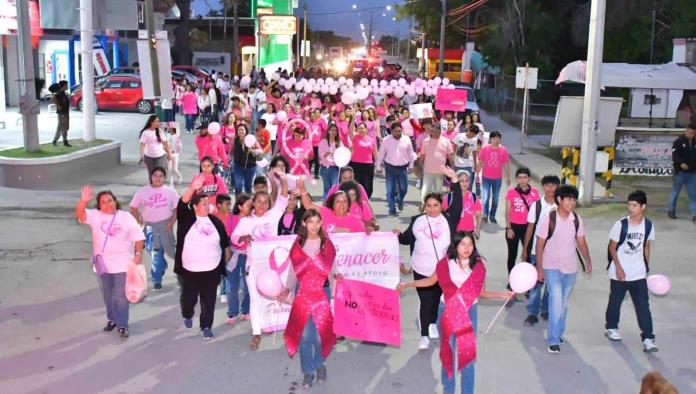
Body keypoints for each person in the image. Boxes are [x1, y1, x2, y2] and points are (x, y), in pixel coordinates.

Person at [397, 232, 512, 394]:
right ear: (455, 246)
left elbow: (481, 293)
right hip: (447, 311)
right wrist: (408, 284)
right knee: (448, 355)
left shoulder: (478, 267)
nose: (467, 248)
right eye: (463, 244)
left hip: (469, 312)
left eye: (470, 244)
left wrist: (502, 294)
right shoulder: (446, 264)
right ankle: (448, 389)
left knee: (468, 359)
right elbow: (430, 281)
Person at [75, 186, 145, 339]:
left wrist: (138, 253)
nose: (108, 204)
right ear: (99, 205)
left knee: (119, 296)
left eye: (110, 200)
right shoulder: (95, 216)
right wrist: (83, 201)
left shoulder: (125, 217)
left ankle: (122, 325)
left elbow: (138, 237)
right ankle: (112, 319)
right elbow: (80, 214)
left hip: (123, 265)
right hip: (103, 266)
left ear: (115, 201)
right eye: (103, 202)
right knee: (108, 295)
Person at [231, 169, 289, 349]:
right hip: (253, 266)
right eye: (259, 202)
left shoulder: (273, 215)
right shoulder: (246, 221)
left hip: (273, 266)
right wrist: (243, 238)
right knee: (255, 299)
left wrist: (283, 179)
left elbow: (283, 197)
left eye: (265, 202)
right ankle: (256, 332)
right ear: (253, 203)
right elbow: (234, 237)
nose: (262, 205)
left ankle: (277, 324)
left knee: (277, 296)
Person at [283, 209, 338, 389]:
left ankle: (319, 363)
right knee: (305, 337)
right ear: (304, 224)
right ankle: (308, 371)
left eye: (317, 222)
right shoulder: (298, 244)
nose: (314, 226)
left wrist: (338, 286)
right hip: (303, 293)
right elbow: (292, 270)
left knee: (320, 336)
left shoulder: (326, 244)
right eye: (311, 222)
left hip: (323, 293)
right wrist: (287, 288)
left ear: (321, 223)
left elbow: (333, 270)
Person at [394, 193, 457, 350]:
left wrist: (454, 180)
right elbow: (406, 239)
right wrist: (398, 234)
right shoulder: (417, 220)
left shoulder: (449, 219)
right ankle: (423, 336)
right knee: (426, 301)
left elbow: (459, 203)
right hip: (421, 267)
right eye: (428, 205)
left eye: (435, 205)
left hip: (442, 269)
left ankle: (432, 323)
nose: (432, 209)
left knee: (436, 299)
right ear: (424, 206)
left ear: (441, 206)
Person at [535, 185, 592, 353]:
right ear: (559, 200)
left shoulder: (576, 219)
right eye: (568, 199)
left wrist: (588, 260)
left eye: (574, 200)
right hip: (551, 266)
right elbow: (539, 245)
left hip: (571, 268)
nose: (572, 203)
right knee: (556, 301)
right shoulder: (549, 219)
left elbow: (581, 242)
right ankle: (552, 339)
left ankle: (558, 333)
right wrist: (539, 267)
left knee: (563, 303)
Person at [174, 174, 231, 339]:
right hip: (189, 270)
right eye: (203, 203)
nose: (207, 205)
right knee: (188, 299)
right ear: (195, 206)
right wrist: (193, 187)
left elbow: (225, 244)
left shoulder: (215, 222)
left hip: (211, 270)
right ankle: (187, 313)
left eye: (208, 203)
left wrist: (224, 259)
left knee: (209, 301)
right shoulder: (187, 219)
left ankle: (206, 326)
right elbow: (181, 204)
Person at [605, 190, 658, 352]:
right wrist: (619, 268)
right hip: (619, 272)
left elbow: (646, 246)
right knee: (615, 301)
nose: (631, 208)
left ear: (643, 206)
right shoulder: (621, 224)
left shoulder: (648, 225)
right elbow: (612, 247)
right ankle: (611, 327)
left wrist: (645, 267)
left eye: (634, 205)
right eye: (629, 204)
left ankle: (648, 338)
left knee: (643, 305)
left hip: (638, 273)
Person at [129, 167, 178, 291]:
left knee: (159, 251)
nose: (158, 178)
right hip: (150, 226)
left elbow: (176, 209)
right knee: (156, 251)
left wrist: (172, 222)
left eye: (161, 176)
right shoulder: (143, 191)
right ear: (151, 177)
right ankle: (158, 274)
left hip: (165, 226)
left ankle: (157, 275)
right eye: (155, 175)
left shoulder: (170, 192)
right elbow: (133, 207)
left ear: (164, 177)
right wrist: (139, 221)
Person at [520, 175, 560, 326]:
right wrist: (525, 249)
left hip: (556, 252)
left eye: (553, 186)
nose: (550, 189)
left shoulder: (562, 206)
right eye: (547, 186)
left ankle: (546, 310)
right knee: (536, 283)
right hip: (537, 251)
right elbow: (530, 228)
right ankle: (532, 312)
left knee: (551, 283)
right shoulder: (536, 206)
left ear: (558, 187)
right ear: (543, 187)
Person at [504, 167, 540, 280]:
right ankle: (511, 278)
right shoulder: (511, 192)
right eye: (519, 178)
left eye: (525, 177)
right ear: (516, 179)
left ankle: (528, 279)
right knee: (512, 254)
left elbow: (537, 211)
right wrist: (509, 228)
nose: (522, 180)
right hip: (513, 227)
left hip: (528, 227)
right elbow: (507, 212)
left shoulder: (535, 193)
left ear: (529, 178)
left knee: (528, 254)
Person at [297, 179, 366, 233]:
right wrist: (302, 188)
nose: (341, 204)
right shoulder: (325, 212)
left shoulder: (357, 221)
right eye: (338, 201)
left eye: (344, 201)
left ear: (348, 205)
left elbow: (363, 242)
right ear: (333, 204)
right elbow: (308, 204)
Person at [225, 193, 253, 324]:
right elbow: (228, 237)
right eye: (249, 205)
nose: (252, 207)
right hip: (234, 256)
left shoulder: (254, 219)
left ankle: (246, 310)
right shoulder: (231, 219)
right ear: (240, 206)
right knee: (232, 286)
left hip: (250, 256)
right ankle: (232, 313)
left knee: (249, 286)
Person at [376, 122, 415, 217]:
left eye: (399, 131)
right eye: (395, 131)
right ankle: (392, 209)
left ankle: (399, 199)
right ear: (391, 131)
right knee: (390, 190)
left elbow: (411, 153)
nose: (398, 133)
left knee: (404, 189)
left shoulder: (406, 139)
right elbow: (381, 154)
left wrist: (411, 165)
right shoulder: (386, 140)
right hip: (390, 167)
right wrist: (378, 166)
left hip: (402, 168)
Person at [477, 131, 511, 224]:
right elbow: (480, 162)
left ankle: (492, 215)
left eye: (498, 138)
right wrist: (477, 174)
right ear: (490, 139)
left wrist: (508, 177)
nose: (496, 140)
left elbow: (506, 164)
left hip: (497, 178)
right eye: (494, 138)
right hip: (486, 177)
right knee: (486, 197)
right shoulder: (485, 149)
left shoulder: (504, 150)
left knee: (495, 198)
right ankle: (485, 215)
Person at [667, 123, 696, 222]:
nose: (691, 134)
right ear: (686, 131)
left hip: (692, 173)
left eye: (693, 133)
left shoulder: (695, 142)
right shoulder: (678, 141)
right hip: (680, 172)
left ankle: (694, 214)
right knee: (675, 192)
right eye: (689, 132)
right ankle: (671, 210)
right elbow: (675, 155)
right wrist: (681, 163)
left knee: (693, 194)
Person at [419, 123, 455, 202]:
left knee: (437, 191)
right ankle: (423, 204)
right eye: (431, 131)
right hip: (428, 171)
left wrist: (453, 169)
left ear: (439, 131)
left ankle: (435, 206)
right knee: (425, 190)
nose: (431, 133)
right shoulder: (425, 141)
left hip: (440, 172)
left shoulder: (446, 141)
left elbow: (450, 156)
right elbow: (422, 155)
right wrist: (419, 167)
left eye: (434, 131)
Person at [443, 169, 482, 238]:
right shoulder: (448, 198)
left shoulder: (474, 197)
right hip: (453, 233)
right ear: (456, 182)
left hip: (469, 233)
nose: (465, 183)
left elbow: (478, 215)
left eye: (467, 181)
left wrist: (478, 229)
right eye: (461, 181)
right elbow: (442, 217)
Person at [348, 122, 378, 198]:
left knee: (368, 185)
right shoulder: (355, 137)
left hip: (368, 165)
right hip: (355, 164)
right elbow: (350, 130)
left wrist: (378, 165)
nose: (361, 130)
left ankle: (366, 200)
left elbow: (375, 152)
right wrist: (353, 119)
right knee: (355, 184)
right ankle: (356, 200)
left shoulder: (371, 139)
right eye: (359, 128)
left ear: (366, 129)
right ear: (357, 130)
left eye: (363, 128)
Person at [231, 124, 261, 194]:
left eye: (242, 129)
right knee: (238, 185)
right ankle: (238, 202)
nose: (241, 131)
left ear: (246, 131)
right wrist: (227, 161)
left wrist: (252, 151)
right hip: (238, 165)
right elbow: (231, 152)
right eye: (239, 130)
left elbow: (260, 151)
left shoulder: (252, 139)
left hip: (250, 166)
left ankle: (248, 203)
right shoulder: (234, 139)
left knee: (248, 186)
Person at [453, 124, 479, 192]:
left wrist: (475, 164)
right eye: (472, 133)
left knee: (468, 185)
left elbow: (474, 152)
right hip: (457, 164)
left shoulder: (474, 140)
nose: (472, 135)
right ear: (469, 129)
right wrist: (452, 159)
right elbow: (454, 147)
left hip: (468, 165)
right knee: (457, 183)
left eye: (474, 134)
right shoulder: (459, 136)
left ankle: (467, 199)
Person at [318, 123, 341, 198]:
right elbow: (320, 155)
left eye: (335, 130)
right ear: (328, 131)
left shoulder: (339, 143)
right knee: (326, 188)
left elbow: (342, 154)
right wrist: (327, 153)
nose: (333, 132)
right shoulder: (323, 142)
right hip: (325, 168)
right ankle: (325, 205)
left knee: (334, 187)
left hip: (335, 168)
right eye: (332, 130)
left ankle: (332, 204)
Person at [51, 80, 72, 147]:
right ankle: (55, 141)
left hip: (65, 112)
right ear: (63, 86)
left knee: (65, 128)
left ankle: (65, 141)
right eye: (66, 85)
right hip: (62, 113)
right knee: (61, 128)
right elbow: (53, 98)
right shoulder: (59, 93)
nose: (67, 86)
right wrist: (58, 106)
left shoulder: (63, 93)